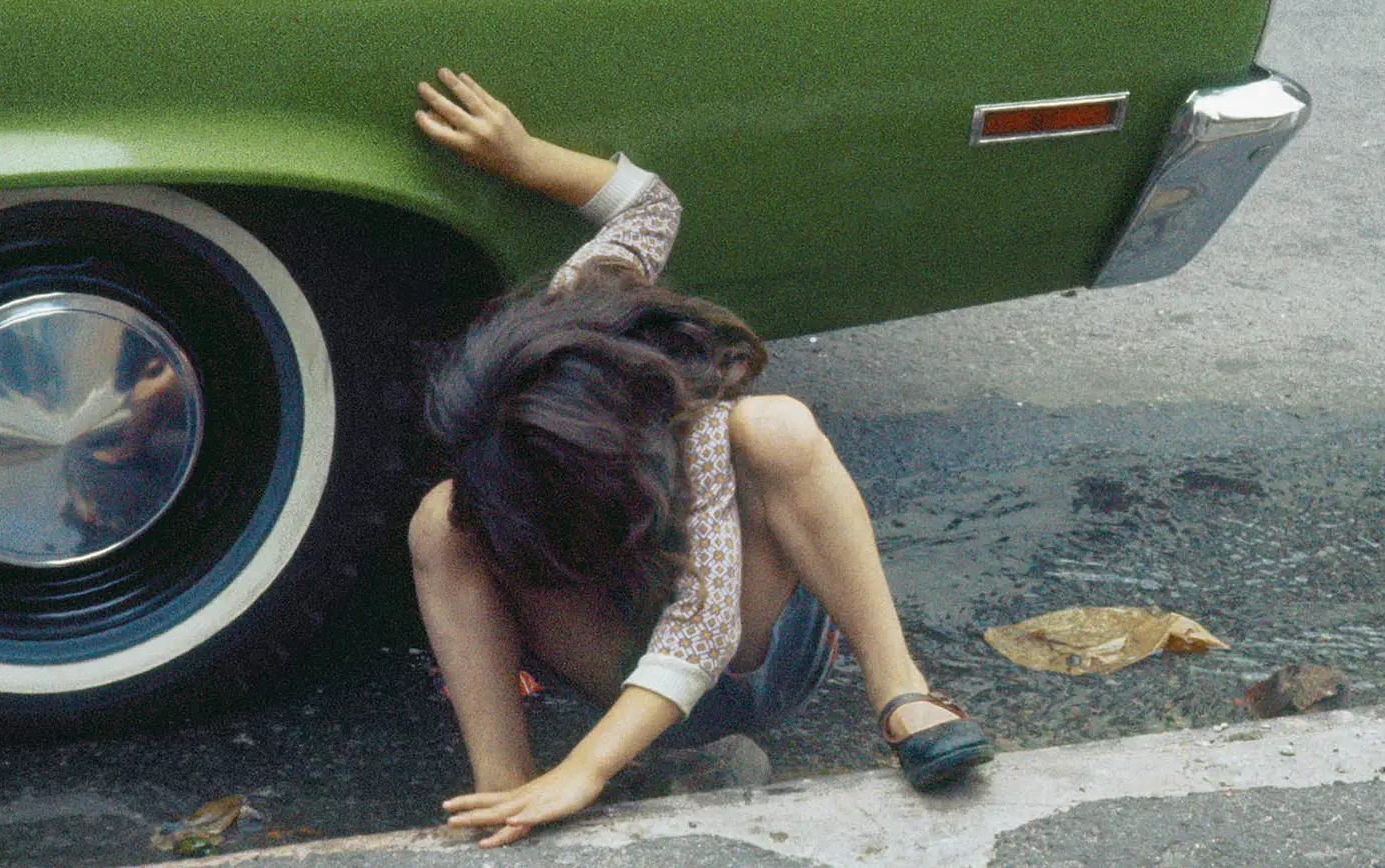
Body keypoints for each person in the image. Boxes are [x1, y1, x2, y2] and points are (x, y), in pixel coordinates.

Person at [405, 69, 993, 847]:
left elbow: (702, 632)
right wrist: (519, 158)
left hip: (746, 665)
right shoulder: (582, 304)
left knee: (778, 428)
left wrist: (588, 769)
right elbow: (650, 204)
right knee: (442, 517)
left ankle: (902, 695)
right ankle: (504, 785)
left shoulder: (699, 434)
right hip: (611, 659)